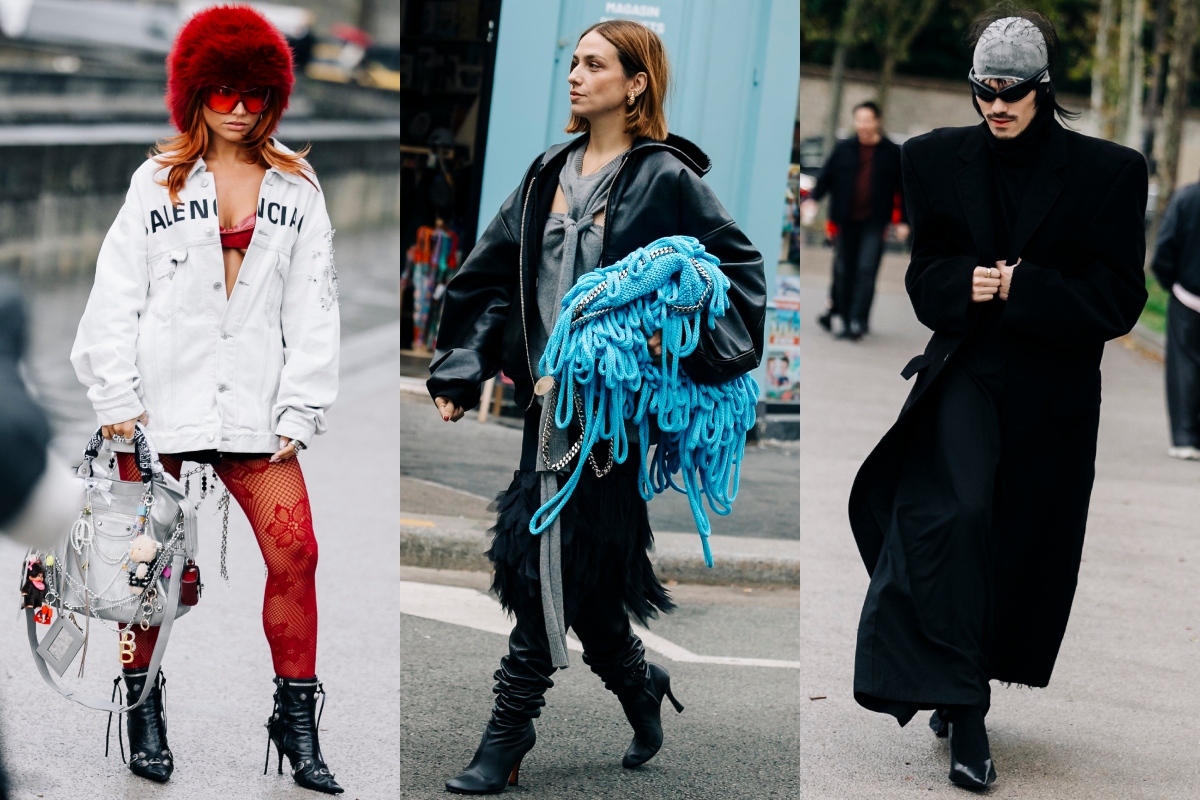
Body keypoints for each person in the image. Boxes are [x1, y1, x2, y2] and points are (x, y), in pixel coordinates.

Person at [427, 20, 765, 795]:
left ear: (636, 82)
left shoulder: (666, 178)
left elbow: (736, 280)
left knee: (549, 553)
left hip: (613, 410)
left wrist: (671, 344)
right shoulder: (549, 169)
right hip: (547, 402)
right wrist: (459, 368)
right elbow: (489, 276)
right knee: (580, 568)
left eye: (594, 64)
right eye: (572, 62)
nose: (574, 75)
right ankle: (639, 686)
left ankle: (507, 733)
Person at [847, 9, 1147, 790]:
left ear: (1043, 89)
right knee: (954, 518)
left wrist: (1026, 287)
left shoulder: (1110, 172)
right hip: (966, 373)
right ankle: (966, 712)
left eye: (1012, 92)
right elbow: (925, 275)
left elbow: (1119, 300)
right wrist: (965, 285)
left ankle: (962, 681)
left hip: (1055, 392)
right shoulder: (936, 158)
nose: (997, 106)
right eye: (984, 91)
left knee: (1018, 544)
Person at [70, 7, 342, 794]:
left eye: (255, 93)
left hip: (255, 412)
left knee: (297, 552)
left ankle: (294, 722)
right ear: (194, 93)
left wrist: (300, 407)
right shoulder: (157, 181)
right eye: (221, 90)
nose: (238, 108)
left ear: (273, 98)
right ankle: (144, 711)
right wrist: (115, 397)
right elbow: (115, 295)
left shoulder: (298, 186)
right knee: (144, 568)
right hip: (156, 410)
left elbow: (314, 308)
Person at [803, 101, 908, 341]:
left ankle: (859, 320)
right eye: (858, 120)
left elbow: (903, 189)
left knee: (866, 270)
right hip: (845, 221)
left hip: (874, 221)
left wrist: (903, 221)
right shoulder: (844, 149)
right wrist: (813, 199)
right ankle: (847, 319)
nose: (862, 125)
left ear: (877, 121)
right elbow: (825, 177)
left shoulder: (891, 152)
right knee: (844, 270)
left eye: (867, 120)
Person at [1151, 181, 1200, 460]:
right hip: (1186, 292)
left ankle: (1184, 438)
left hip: (1187, 295)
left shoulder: (1186, 198)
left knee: (1183, 366)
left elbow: (1165, 249)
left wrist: (1173, 285)